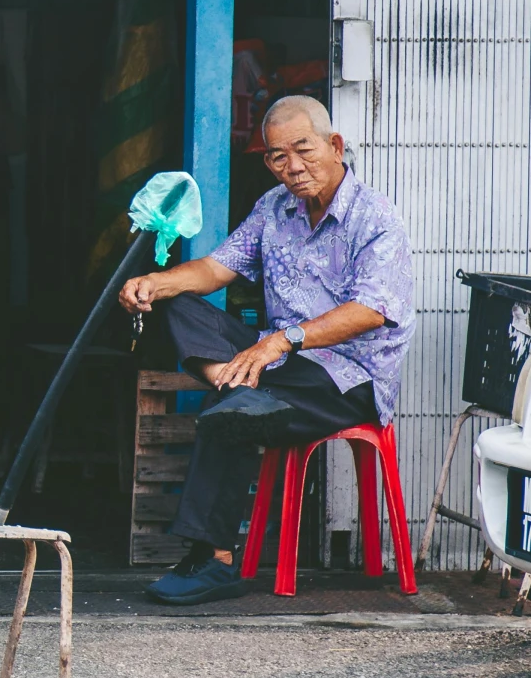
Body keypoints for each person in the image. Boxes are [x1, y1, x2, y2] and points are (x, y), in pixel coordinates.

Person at [118, 94, 413, 605]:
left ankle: (215, 560)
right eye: (278, 156)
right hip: (276, 363)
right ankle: (238, 384)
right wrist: (156, 282)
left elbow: (370, 310)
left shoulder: (375, 217)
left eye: (304, 150)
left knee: (230, 411)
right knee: (176, 304)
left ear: (335, 145)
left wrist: (283, 340)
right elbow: (216, 268)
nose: (293, 167)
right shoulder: (273, 209)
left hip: (346, 377)